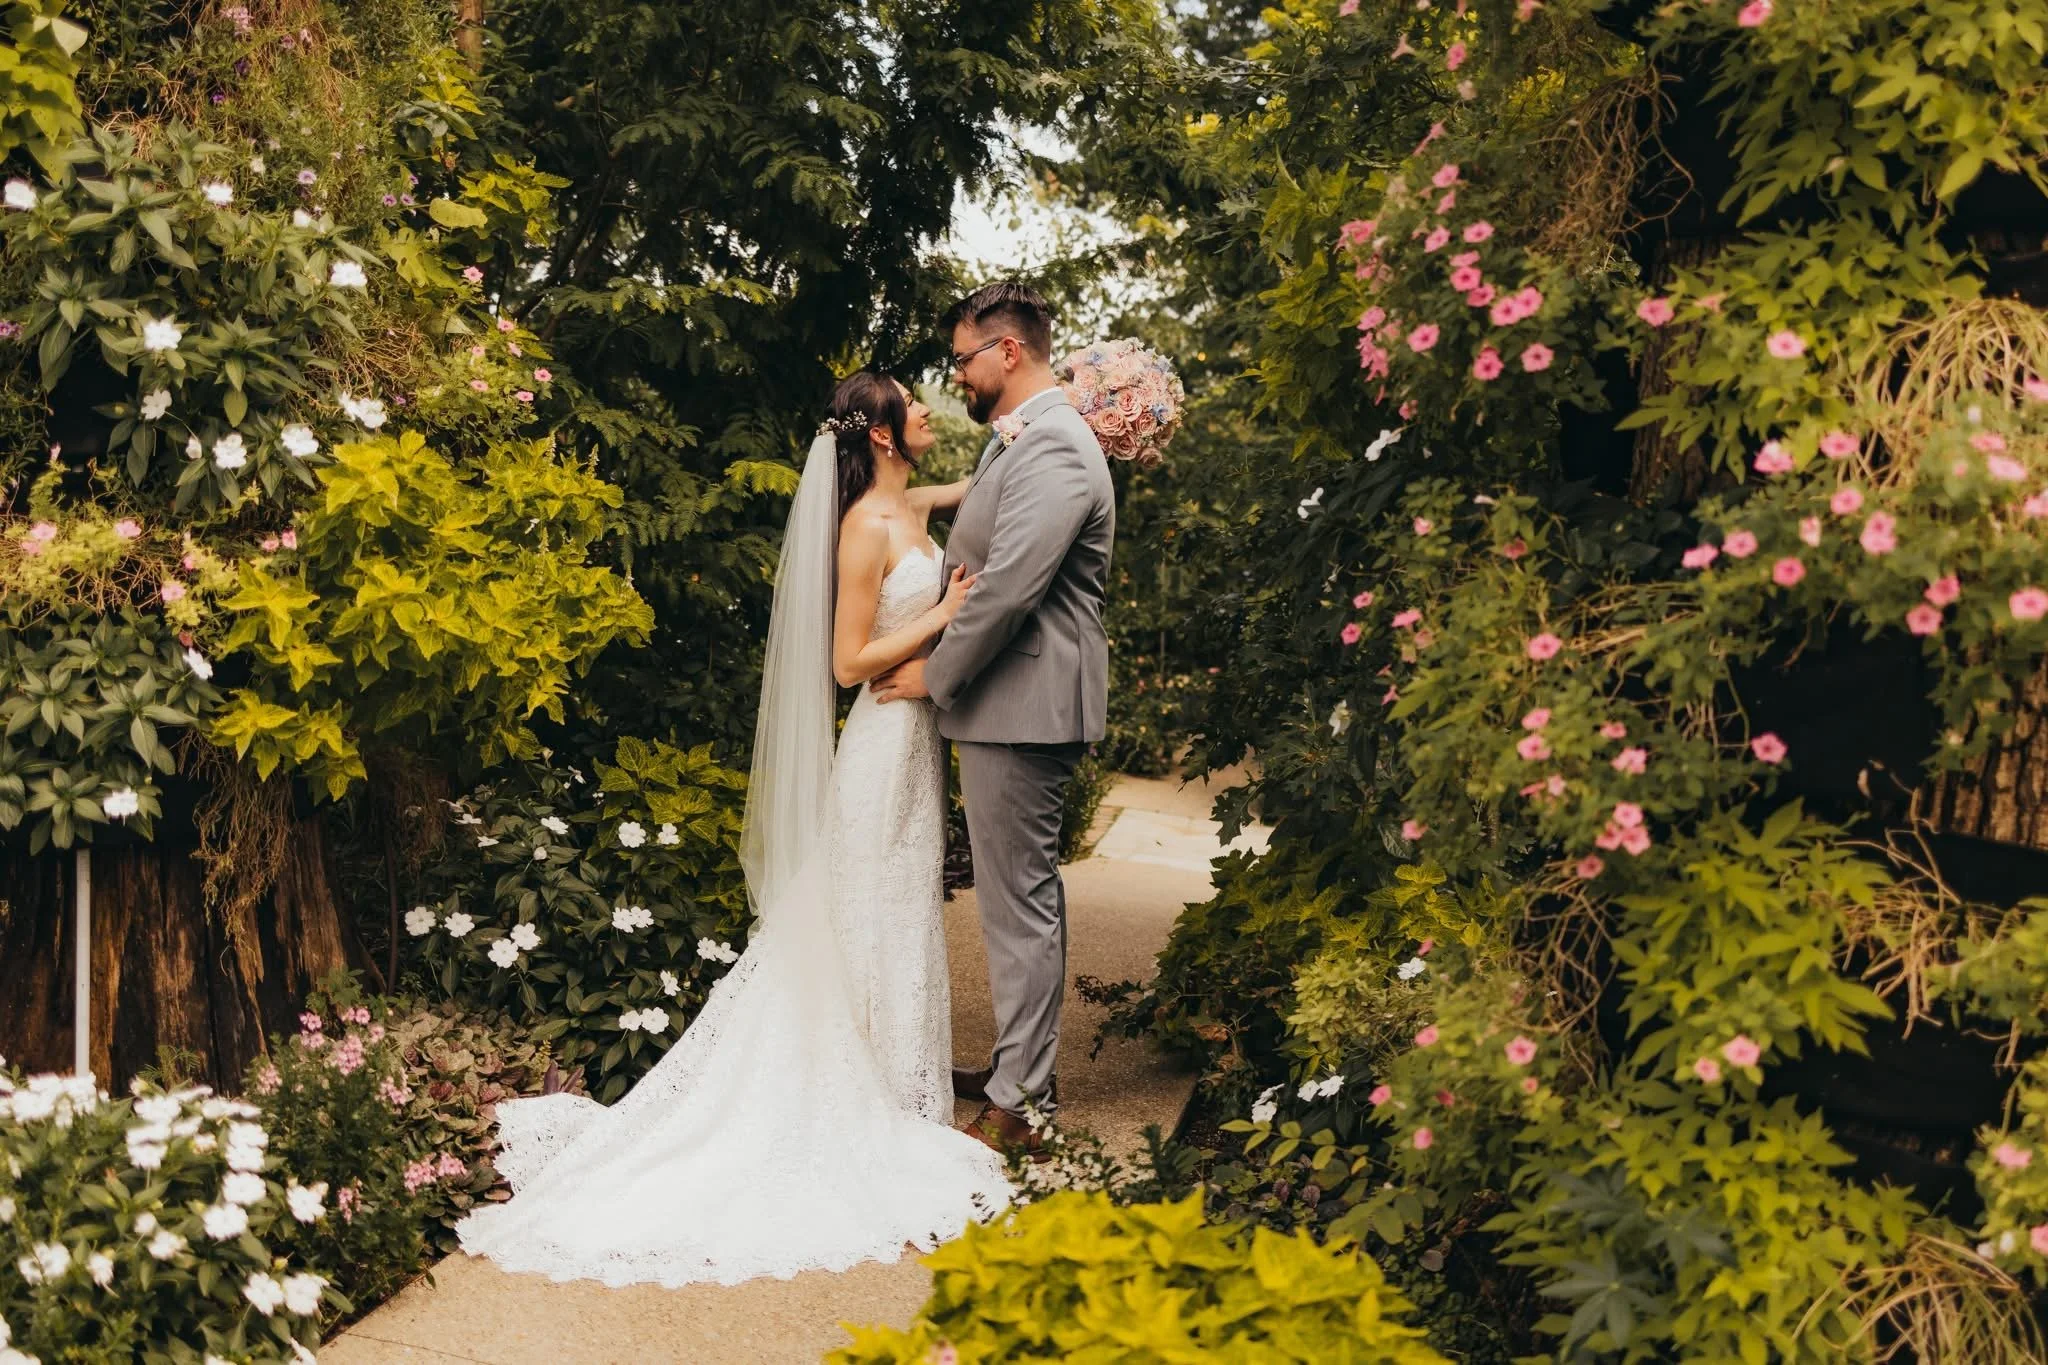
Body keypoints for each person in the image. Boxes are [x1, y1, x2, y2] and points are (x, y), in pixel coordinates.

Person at [455, 374, 1007, 1287]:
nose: (929, 416)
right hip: (877, 748)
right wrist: (943, 618)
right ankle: (860, 1094)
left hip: (917, 749)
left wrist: (1011, 449)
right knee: (864, 907)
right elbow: (842, 663)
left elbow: (962, 490)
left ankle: (894, 1086)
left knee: (902, 908)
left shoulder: (906, 502)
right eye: (913, 407)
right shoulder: (866, 528)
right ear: (878, 432)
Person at [871, 282, 1115, 1158]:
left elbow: (1009, 585)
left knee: (1021, 903)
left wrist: (932, 673)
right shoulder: (1025, 442)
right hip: (1010, 699)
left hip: (1024, 700)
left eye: (963, 358)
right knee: (1014, 901)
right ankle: (1017, 1066)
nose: (957, 377)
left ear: (1008, 352)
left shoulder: (1053, 446)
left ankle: (1022, 1102)